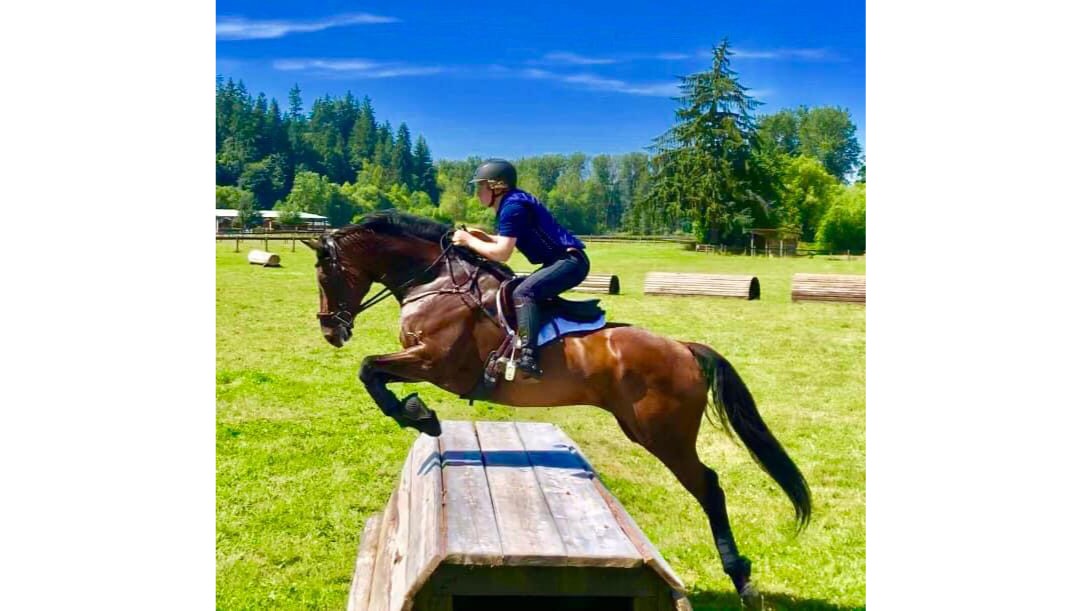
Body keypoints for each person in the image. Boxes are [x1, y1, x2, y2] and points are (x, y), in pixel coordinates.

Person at [452, 159, 590, 379]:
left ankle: (528, 357)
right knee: (521, 290)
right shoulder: (512, 202)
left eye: (481, 186)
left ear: (497, 187)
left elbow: (502, 253)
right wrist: (484, 237)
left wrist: (469, 240)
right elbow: (506, 241)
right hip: (562, 260)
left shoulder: (512, 207)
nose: (477, 192)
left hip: (569, 262)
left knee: (523, 293)